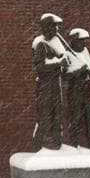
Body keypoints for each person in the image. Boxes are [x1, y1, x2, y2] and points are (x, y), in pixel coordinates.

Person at [31, 13, 67, 149]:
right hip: (45, 85)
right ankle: (38, 147)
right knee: (44, 116)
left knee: (57, 115)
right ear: (45, 28)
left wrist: (64, 63)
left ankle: (57, 145)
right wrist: (58, 64)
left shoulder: (56, 43)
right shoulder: (40, 44)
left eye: (56, 27)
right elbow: (40, 67)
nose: (56, 30)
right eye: (53, 27)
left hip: (55, 84)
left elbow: (64, 65)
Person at [64, 27, 90, 148]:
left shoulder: (85, 52)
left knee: (89, 117)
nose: (83, 43)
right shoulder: (67, 54)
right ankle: (74, 145)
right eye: (81, 41)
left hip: (86, 88)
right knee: (75, 118)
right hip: (75, 90)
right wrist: (79, 70)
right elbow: (66, 76)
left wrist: (89, 71)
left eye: (84, 41)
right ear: (74, 41)